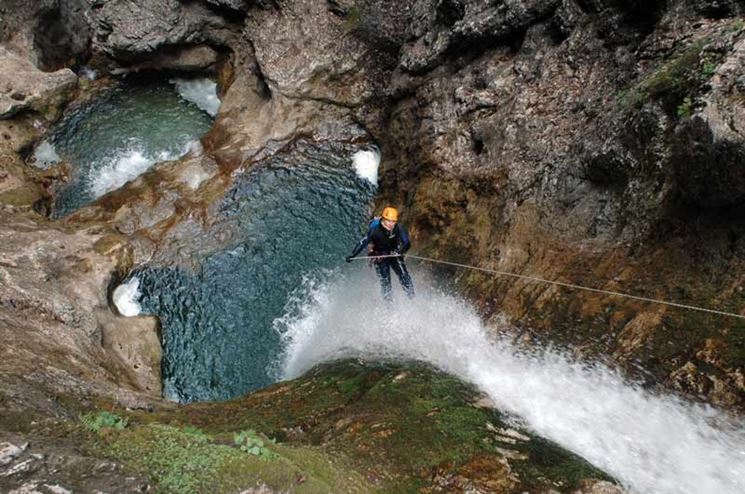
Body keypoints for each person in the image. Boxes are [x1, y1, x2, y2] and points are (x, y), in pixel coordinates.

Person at [346, 206, 415, 300]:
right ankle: (388, 304)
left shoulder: (398, 227)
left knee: (404, 275)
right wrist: (353, 255)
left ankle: (411, 296)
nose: (391, 224)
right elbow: (362, 243)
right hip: (379, 255)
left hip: (394, 252)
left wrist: (399, 252)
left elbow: (407, 243)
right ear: (383, 219)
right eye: (389, 221)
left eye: (393, 221)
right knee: (386, 282)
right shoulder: (374, 230)